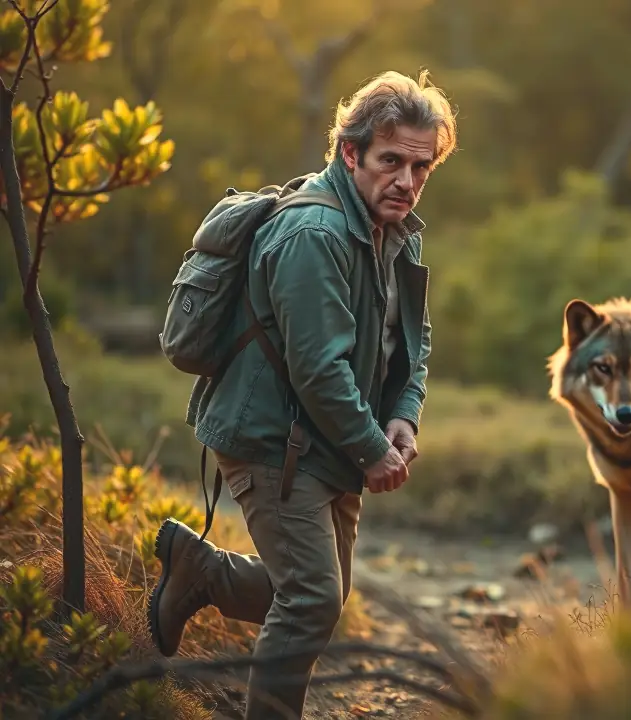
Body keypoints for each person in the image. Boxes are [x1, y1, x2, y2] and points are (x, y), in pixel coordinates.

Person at [147, 69, 456, 719]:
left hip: (325, 437)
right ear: (351, 152)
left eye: (421, 166)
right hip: (273, 438)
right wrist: (372, 448)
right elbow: (318, 368)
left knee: (321, 594)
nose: (406, 180)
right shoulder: (315, 234)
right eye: (391, 161)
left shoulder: (397, 230)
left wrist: (404, 415)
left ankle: (201, 572)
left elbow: (413, 339)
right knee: (312, 599)